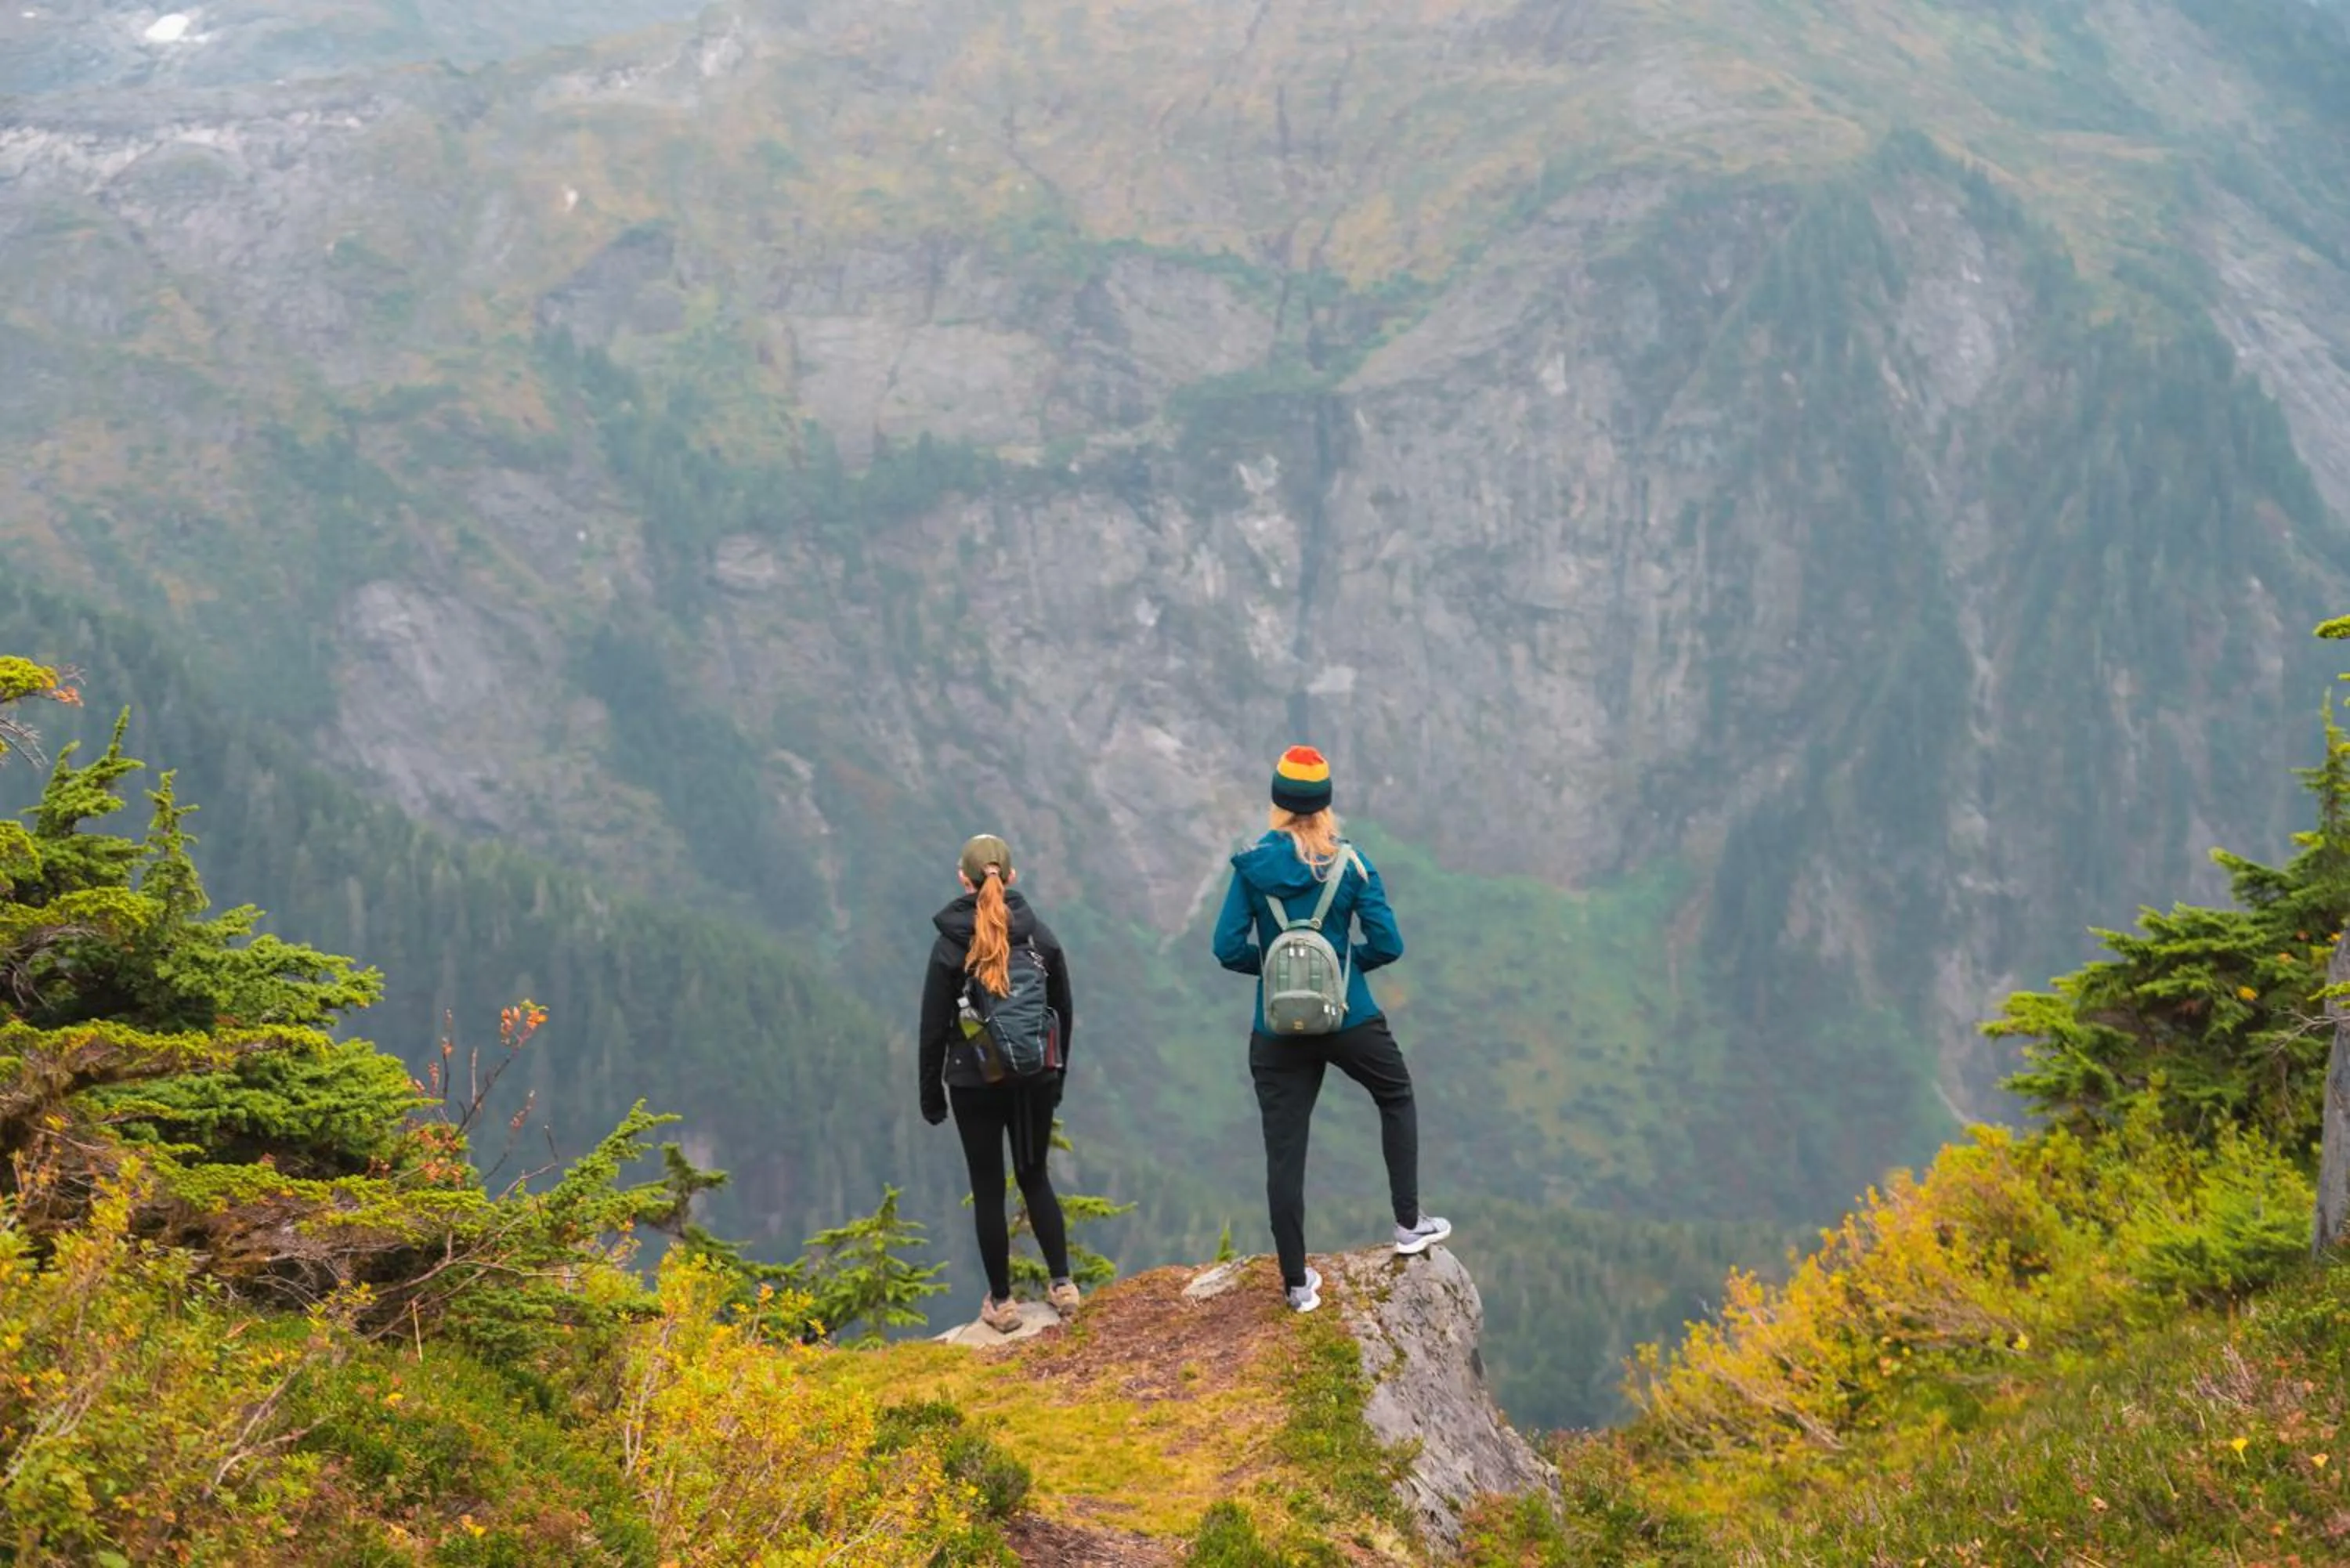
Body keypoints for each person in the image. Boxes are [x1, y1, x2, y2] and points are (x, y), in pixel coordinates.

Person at [1213, 746, 1452, 1313]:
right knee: (1395, 1094)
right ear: (1325, 803)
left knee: (1285, 1153)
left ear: (1277, 801)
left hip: (1275, 1030)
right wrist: (1337, 969)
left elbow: (1226, 949)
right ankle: (1408, 1223)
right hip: (1350, 1016)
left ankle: (1297, 1285)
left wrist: (1279, 972)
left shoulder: (1250, 867)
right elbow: (1389, 944)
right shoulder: (1351, 863)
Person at [920, 833, 1081, 1334]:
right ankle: (1063, 1286)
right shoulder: (1041, 938)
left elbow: (931, 1028)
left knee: (988, 1190)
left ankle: (1004, 1304)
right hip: (1034, 1075)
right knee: (1035, 1177)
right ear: (1011, 878)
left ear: (963, 880)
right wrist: (1054, 1078)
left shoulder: (951, 945)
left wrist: (931, 1095)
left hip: (973, 1080)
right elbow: (1062, 1015)